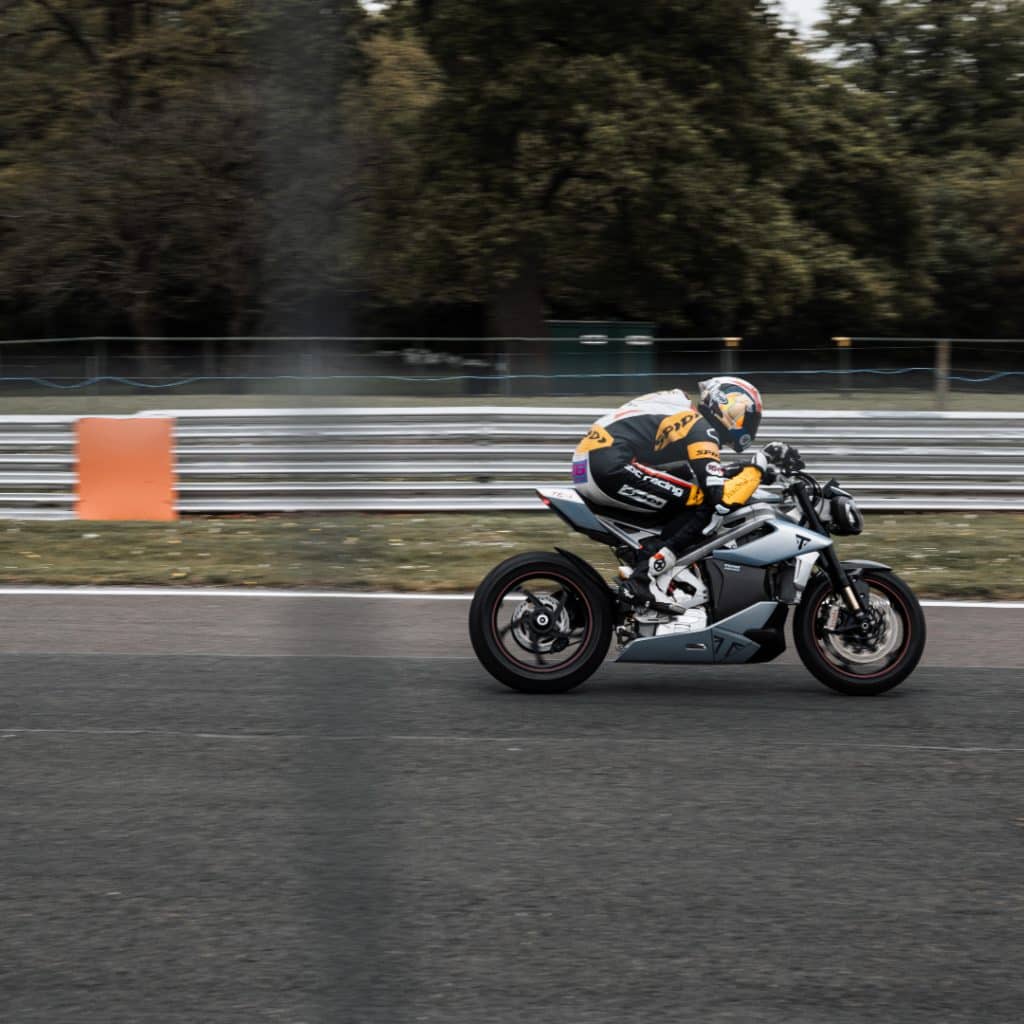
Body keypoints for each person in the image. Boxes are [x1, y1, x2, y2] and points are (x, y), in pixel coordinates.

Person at [571, 377, 801, 609]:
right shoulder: (701, 428)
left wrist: (755, 470)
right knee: (706, 503)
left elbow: (704, 473)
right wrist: (758, 464)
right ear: (728, 406)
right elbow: (719, 497)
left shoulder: (689, 419)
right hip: (609, 464)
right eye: (747, 417)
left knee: (689, 490)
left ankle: (650, 560)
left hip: (595, 462)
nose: (749, 426)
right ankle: (643, 577)